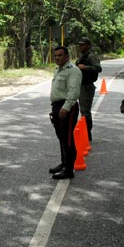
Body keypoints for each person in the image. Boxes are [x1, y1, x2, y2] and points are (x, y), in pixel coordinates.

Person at [48, 46, 82, 180]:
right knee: (61, 137)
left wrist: (66, 107)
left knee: (68, 139)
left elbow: (73, 91)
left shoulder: (72, 71)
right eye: (55, 55)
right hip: (57, 107)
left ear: (67, 56)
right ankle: (64, 163)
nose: (57, 58)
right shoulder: (57, 69)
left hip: (67, 107)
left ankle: (69, 169)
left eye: (60, 55)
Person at [75, 37, 102, 141]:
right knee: (82, 110)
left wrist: (85, 67)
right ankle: (85, 132)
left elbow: (98, 68)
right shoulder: (83, 56)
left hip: (87, 86)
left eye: (82, 45)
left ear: (88, 45)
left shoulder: (91, 56)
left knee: (85, 111)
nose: (80, 46)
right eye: (79, 44)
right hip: (80, 85)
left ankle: (87, 134)